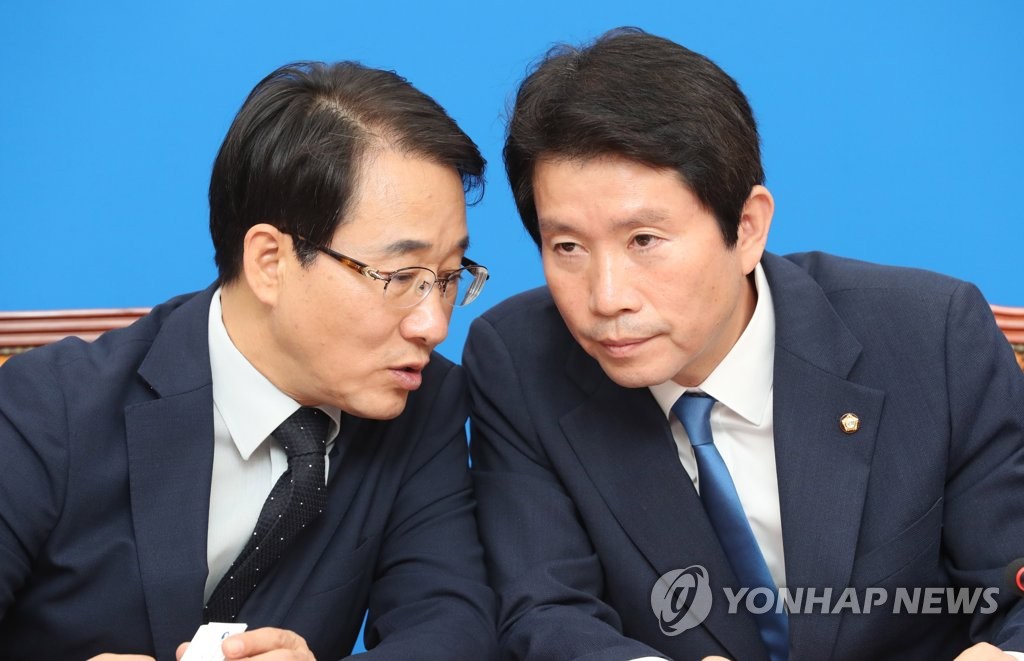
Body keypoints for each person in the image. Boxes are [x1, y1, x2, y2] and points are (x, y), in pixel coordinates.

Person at [464, 27, 1024, 661]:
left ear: (749, 228)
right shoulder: (518, 359)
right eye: (567, 247)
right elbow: (544, 609)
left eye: (644, 240)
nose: (606, 297)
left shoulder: (930, 335)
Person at [0, 61, 498, 660]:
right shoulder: (46, 410)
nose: (434, 326)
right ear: (269, 261)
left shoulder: (424, 402)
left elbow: (450, 628)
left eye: (448, 276)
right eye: (399, 276)